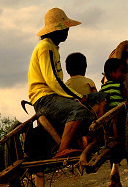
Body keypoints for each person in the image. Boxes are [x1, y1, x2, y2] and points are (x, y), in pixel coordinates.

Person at [28, 8, 105, 159]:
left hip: (51, 96)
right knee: (79, 110)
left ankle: (95, 135)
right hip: (44, 98)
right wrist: (77, 97)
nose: (67, 32)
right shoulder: (46, 48)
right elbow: (53, 81)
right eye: (65, 28)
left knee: (100, 97)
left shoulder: (52, 47)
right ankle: (63, 149)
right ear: (57, 31)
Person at [100, 58, 128, 139]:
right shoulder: (119, 85)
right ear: (111, 73)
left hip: (107, 113)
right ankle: (121, 137)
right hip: (119, 111)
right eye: (122, 71)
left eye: (125, 72)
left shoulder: (103, 87)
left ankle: (111, 136)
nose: (124, 75)